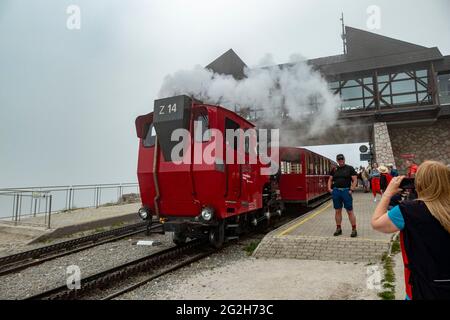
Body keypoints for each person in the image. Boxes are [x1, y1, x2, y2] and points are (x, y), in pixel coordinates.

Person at [371, 161, 450, 299]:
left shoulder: (408, 210)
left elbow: (376, 223)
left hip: (422, 288)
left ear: (418, 183)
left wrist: (388, 193)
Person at [327, 154, 358, 237]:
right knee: (337, 211)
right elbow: (330, 179)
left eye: (342, 159)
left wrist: (352, 189)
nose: (341, 160)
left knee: (349, 211)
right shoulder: (334, 169)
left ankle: (354, 229)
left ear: (344, 159)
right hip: (336, 191)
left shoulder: (350, 168)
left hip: (346, 191)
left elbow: (354, 180)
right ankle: (338, 229)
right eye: (339, 159)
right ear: (337, 160)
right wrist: (329, 188)